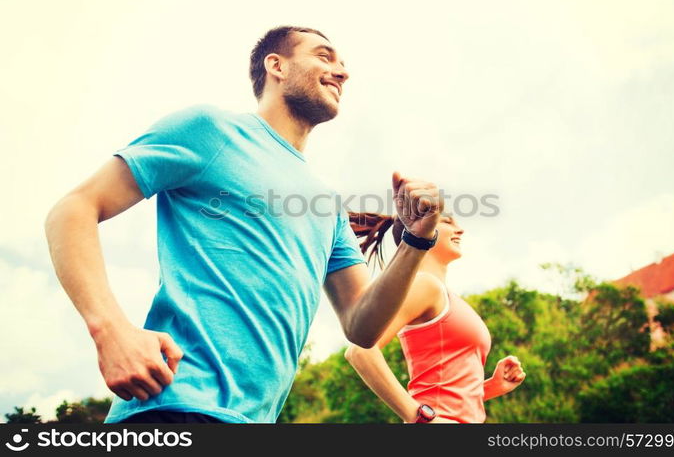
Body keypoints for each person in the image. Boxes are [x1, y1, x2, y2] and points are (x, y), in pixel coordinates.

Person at [44, 26, 444, 423]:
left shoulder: (328, 205)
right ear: (277, 66)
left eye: (342, 64)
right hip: (175, 407)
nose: (342, 72)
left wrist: (416, 240)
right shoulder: (211, 131)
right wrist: (111, 331)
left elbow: (362, 327)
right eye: (324, 56)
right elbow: (74, 209)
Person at [345, 212, 526, 423]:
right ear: (422, 230)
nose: (460, 229)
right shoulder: (425, 285)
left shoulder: (446, 295)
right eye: (448, 222)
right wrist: (420, 417)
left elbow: (443, 389)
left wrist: (490, 387)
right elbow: (360, 351)